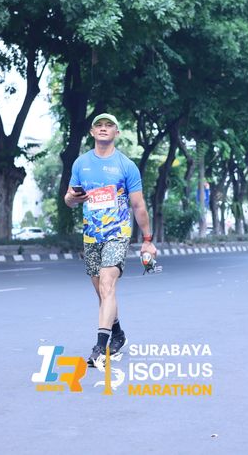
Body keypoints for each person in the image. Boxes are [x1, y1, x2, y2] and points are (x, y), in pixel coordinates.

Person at [64, 113, 157, 367]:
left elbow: (138, 205)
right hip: (91, 235)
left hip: (117, 233)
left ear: (117, 132)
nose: (103, 129)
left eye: (109, 126)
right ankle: (118, 334)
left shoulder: (126, 166)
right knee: (101, 291)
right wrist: (72, 198)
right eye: (99, 125)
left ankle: (99, 348)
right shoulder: (81, 164)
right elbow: (69, 199)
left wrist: (147, 240)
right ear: (92, 132)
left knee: (107, 284)